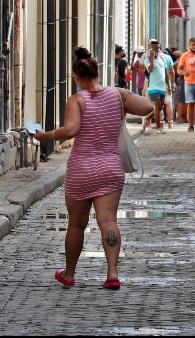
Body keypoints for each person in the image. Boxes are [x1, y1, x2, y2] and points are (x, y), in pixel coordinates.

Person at [34, 47, 153, 289]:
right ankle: (112, 273)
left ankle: (69, 274)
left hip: (82, 169)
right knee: (108, 221)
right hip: (110, 168)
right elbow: (147, 107)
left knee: (77, 224)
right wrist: (123, 94)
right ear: (97, 72)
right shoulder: (117, 95)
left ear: (76, 76)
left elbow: (71, 130)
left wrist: (45, 135)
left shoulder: (77, 100)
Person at [144, 39, 172, 134]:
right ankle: (159, 127)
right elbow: (150, 69)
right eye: (155, 48)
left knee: (160, 107)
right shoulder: (147, 59)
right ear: (151, 49)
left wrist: (169, 85)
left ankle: (148, 118)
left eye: (158, 48)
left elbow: (166, 73)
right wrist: (152, 58)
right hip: (153, 87)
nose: (157, 50)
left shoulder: (162, 59)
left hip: (162, 87)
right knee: (157, 105)